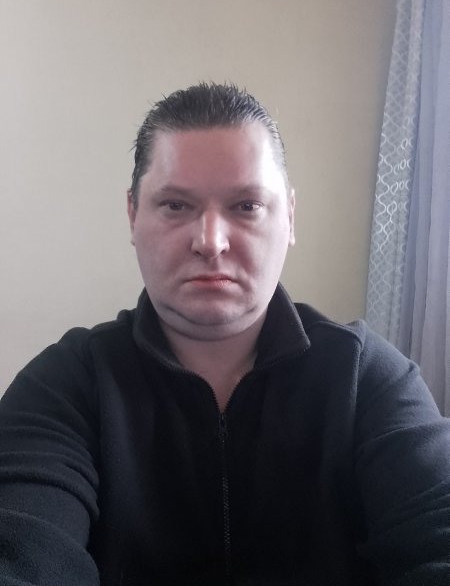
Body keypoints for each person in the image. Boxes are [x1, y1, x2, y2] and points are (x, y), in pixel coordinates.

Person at [0, 83, 449, 586]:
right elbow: (22, 547)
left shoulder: (366, 378)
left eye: (246, 205)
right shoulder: (64, 385)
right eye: (175, 205)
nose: (210, 242)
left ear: (289, 218)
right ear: (132, 215)